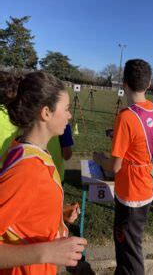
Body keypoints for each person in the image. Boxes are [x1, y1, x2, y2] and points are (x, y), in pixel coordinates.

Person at [0, 71, 87, 274]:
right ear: (46, 113)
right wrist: (45, 252)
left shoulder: (29, 150)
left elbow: (25, 213)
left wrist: (56, 214)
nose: (69, 115)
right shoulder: (26, 170)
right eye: (66, 109)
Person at [94, 59, 153, 275]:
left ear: (123, 83)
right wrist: (121, 138)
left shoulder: (125, 116)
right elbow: (145, 138)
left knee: (129, 251)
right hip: (144, 187)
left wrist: (99, 158)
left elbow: (114, 166)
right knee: (128, 245)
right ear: (149, 83)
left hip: (131, 193)